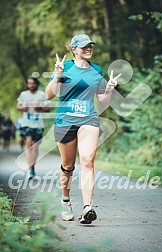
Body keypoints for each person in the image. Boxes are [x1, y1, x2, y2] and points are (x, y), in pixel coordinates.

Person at [45, 34, 117, 224]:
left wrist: (108, 89)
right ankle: (66, 201)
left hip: (89, 119)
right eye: (84, 46)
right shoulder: (65, 67)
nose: (88, 49)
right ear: (74, 49)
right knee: (68, 166)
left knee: (87, 160)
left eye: (90, 46)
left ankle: (87, 208)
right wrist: (57, 77)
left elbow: (102, 101)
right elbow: (48, 95)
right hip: (65, 120)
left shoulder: (96, 70)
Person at [17, 77, 50, 179]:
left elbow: (48, 108)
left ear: (36, 84)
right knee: (28, 145)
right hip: (26, 123)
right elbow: (18, 106)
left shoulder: (41, 94)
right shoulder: (23, 94)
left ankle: (32, 167)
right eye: (29, 83)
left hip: (38, 124)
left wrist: (40, 107)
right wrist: (23, 107)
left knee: (35, 148)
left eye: (33, 83)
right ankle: (30, 169)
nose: (31, 85)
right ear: (27, 85)